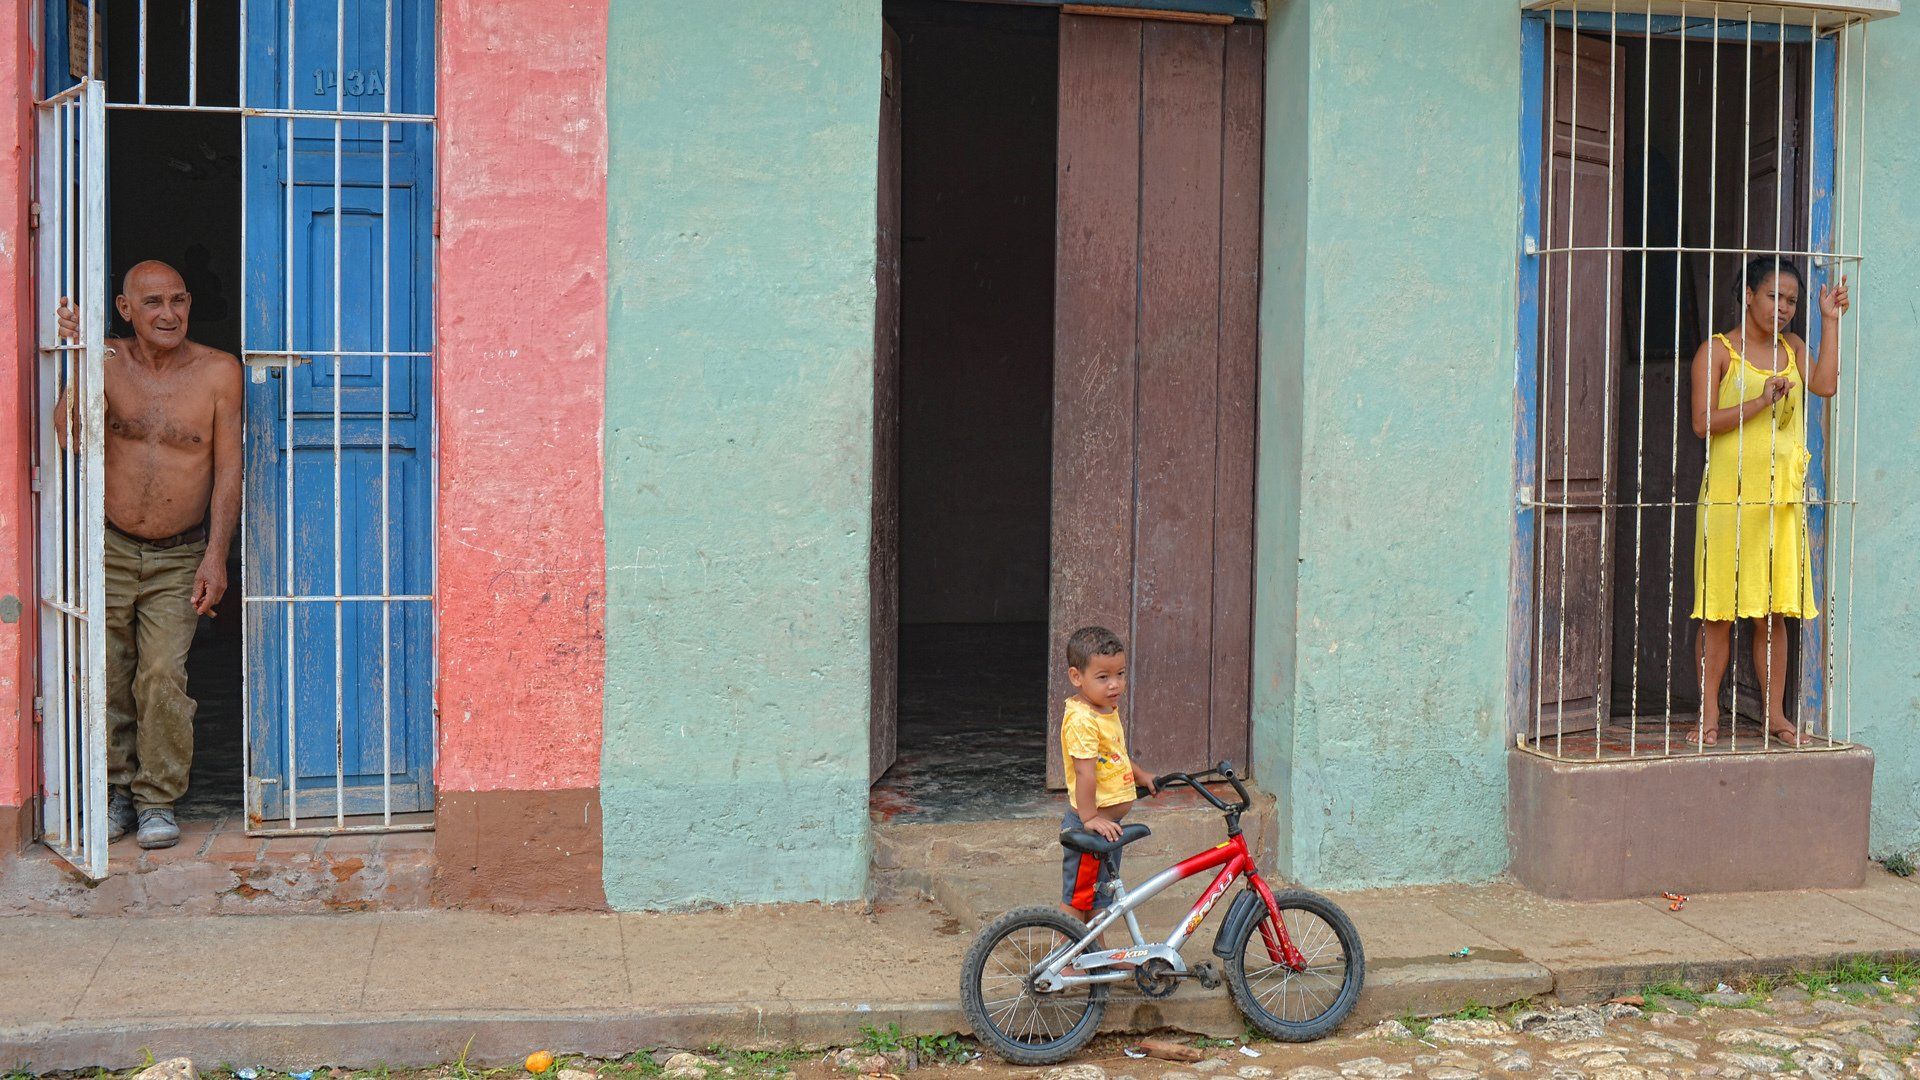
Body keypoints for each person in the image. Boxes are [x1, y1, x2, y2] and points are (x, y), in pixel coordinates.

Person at [55, 261, 244, 848]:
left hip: (180, 555)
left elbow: (229, 471)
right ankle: (114, 791)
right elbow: (69, 435)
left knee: (162, 673)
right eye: (154, 302)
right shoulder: (108, 362)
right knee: (108, 672)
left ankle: (156, 798)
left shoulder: (218, 372)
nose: (170, 315)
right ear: (124, 308)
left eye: (179, 301)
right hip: (110, 546)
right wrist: (81, 358)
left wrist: (217, 556)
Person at [1688, 257, 1848, 748]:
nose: (1782, 308)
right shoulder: (1716, 352)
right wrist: (1760, 401)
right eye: (1774, 296)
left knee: (1773, 614)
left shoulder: (1793, 348)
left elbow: (1824, 385)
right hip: (1727, 501)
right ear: (1749, 296)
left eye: (1792, 301)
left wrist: (1830, 319)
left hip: (1780, 504)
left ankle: (1774, 717)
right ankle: (1709, 712)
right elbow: (1702, 423)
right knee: (1717, 611)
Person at [1058, 625, 1158, 925]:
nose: (1115, 684)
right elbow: (1084, 772)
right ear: (1077, 677)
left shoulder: (1105, 707)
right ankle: (1068, 961)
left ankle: (1098, 957)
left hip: (1108, 826)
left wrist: (1139, 775)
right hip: (1090, 829)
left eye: (1121, 674)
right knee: (1078, 899)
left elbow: (1115, 754)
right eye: (1103, 677)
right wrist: (1089, 818)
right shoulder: (1081, 719)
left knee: (1101, 897)